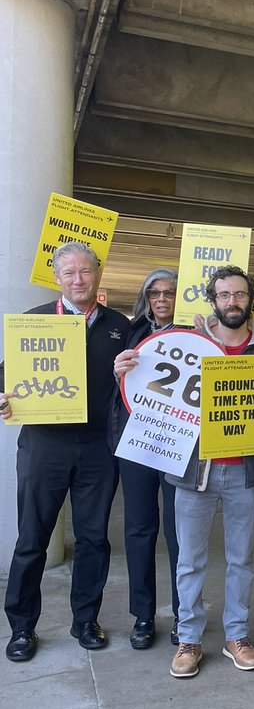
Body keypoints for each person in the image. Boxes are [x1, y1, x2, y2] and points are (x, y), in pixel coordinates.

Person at [2, 242, 130, 662]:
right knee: (32, 539)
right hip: (44, 447)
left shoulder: (119, 325)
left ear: (98, 274)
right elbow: (7, 380)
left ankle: (85, 620)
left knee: (94, 538)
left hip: (98, 448)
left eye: (86, 272)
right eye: (70, 273)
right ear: (57, 277)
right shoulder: (32, 323)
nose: (79, 280)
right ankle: (22, 627)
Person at [167, 266, 254, 678]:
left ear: (251, 299)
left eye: (239, 294)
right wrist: (123, 369)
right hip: (193, 468)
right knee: (189, 560)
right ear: (212, 300)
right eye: (224, 295)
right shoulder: (189, 344)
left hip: (244, 472)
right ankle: (189, 639)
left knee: (241, 559)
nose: (232, 302)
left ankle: (236, 635)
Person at [110, 268, 181, 650]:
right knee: (139, 530)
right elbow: (108, 381)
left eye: (169, 292)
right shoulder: (129, 330)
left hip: (178, 444)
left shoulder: (196, 333)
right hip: (137, 442)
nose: (162, 299)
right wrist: (115, 371)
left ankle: (184, 613)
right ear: (146, 297)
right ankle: (143, 615)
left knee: (178, 531)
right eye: (155, 293)